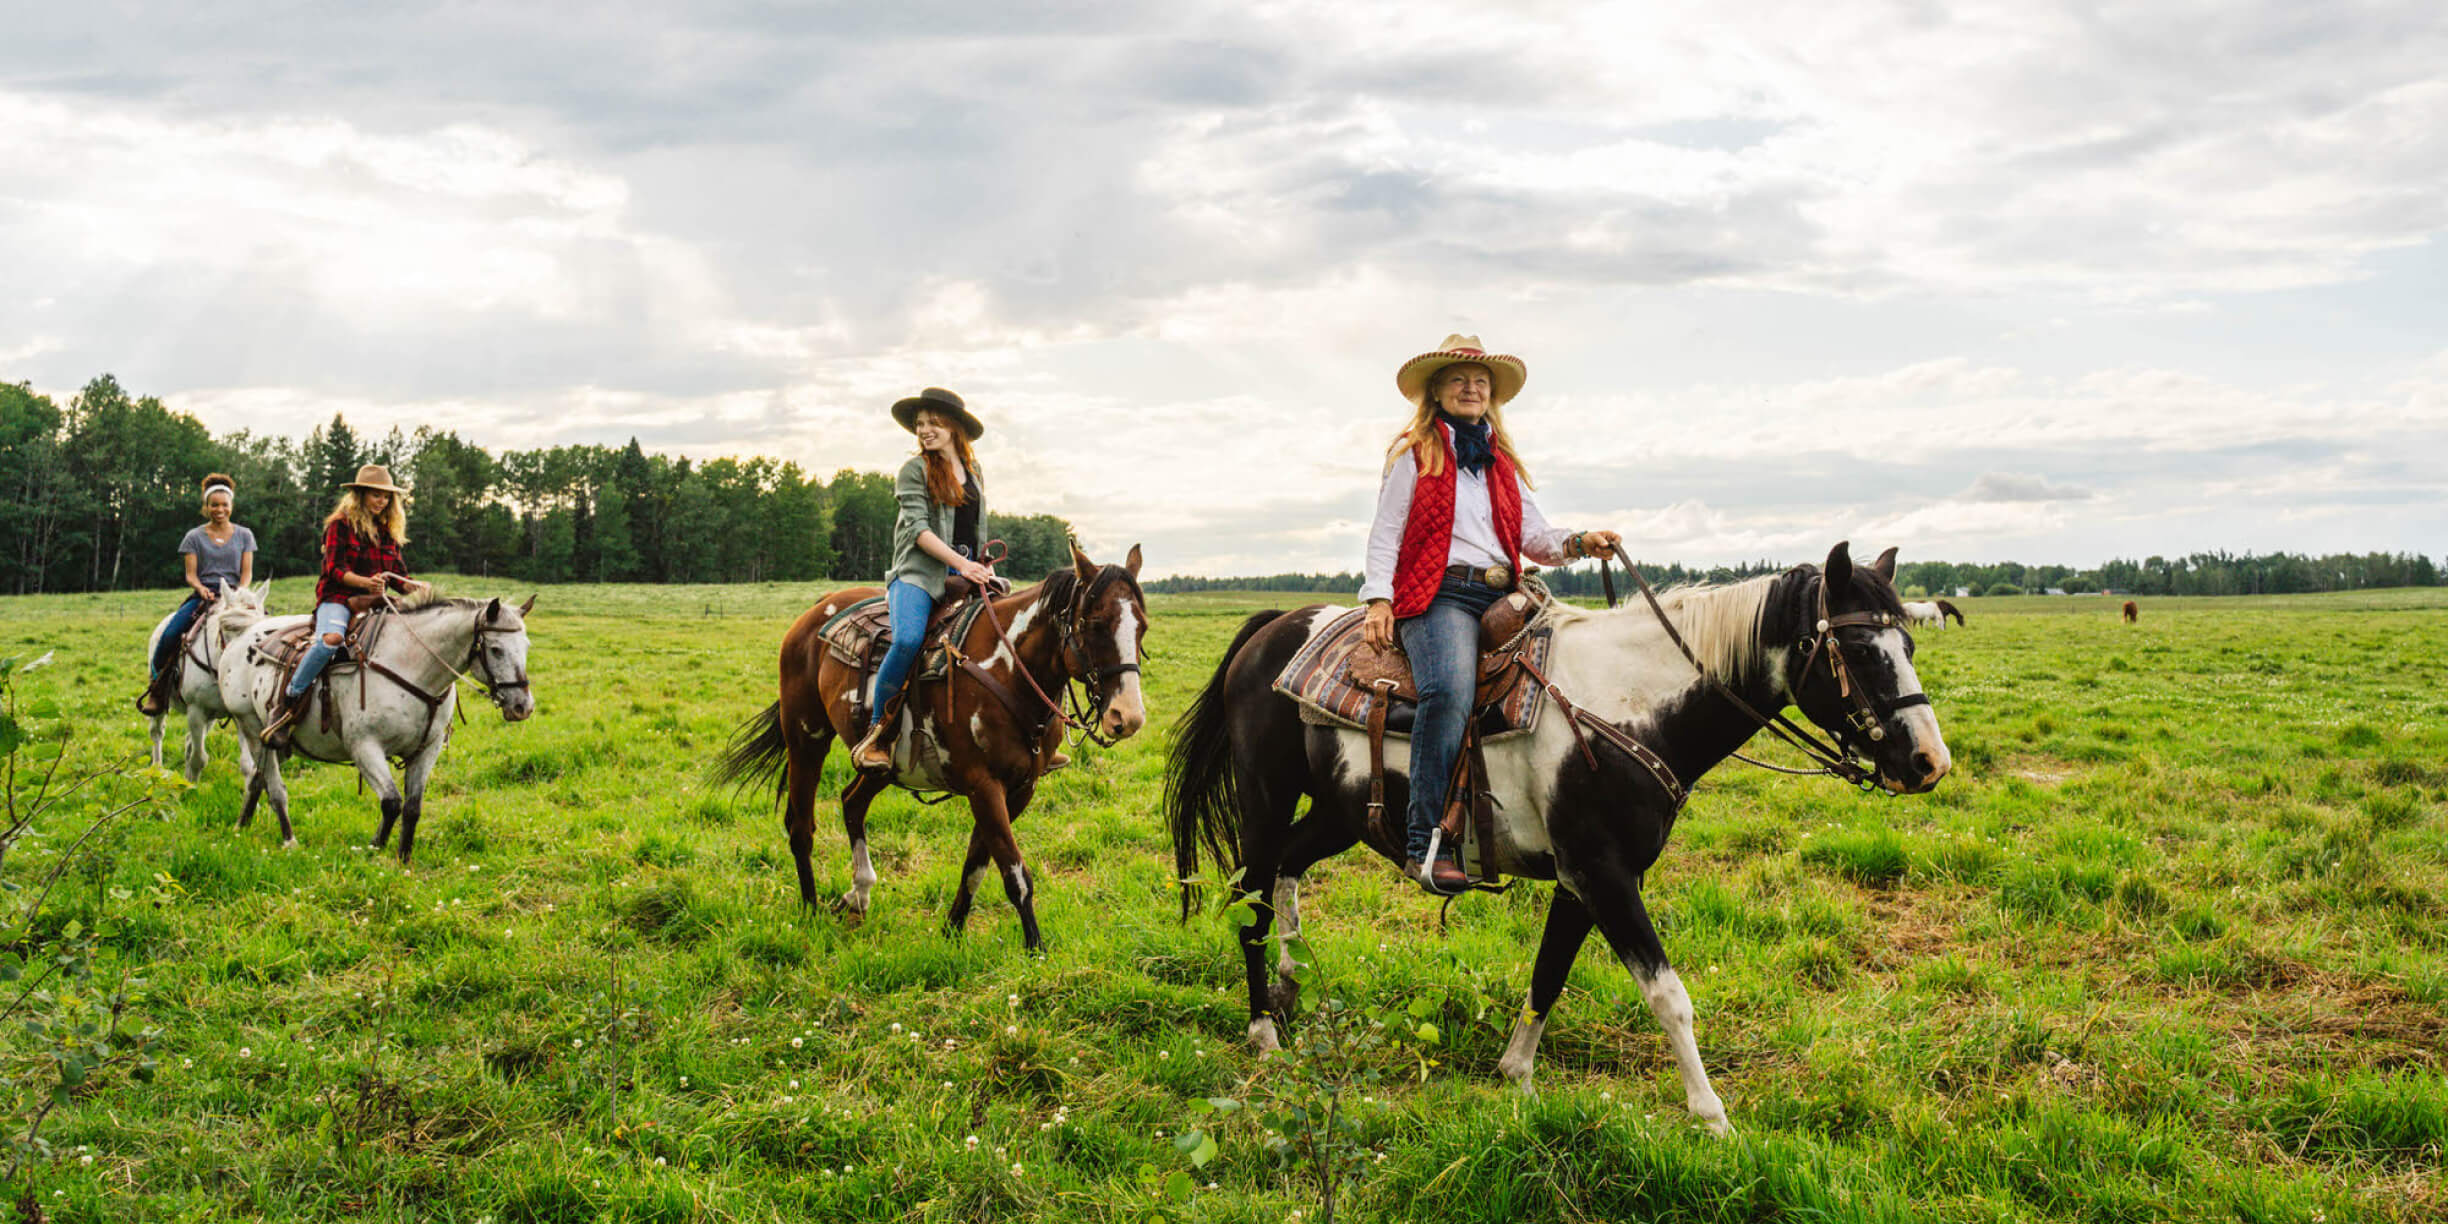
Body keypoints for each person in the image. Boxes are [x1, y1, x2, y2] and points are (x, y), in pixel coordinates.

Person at [1359, 335, 1622, 894]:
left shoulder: (1502, 463)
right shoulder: (1416, 453)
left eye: (1480, 382)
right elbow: (1386, 531)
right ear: (1437, 390)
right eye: (1458, 379)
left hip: (1506, 593)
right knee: (1449, 690)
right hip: (1439, 595)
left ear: (1491, 396)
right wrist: (1379, 597)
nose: (1471, 387)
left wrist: (1579, 541)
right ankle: (1424, 841)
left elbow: (1534, 537)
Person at [852, 387, 1030, 771]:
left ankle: (1027, 734)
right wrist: (960, 566)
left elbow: (974, 528)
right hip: (919, 573)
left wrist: (982, 567)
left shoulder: (974, 471)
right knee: (908, 640)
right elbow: (917, 529)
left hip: (966, 571)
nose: (925, 430)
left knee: (1013, 634)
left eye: (933, 423)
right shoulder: (914, 470)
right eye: (919, 424)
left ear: (954, 428)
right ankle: (877, 733)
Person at [264, 464, 430, 748]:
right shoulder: (340, 524)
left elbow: (399, 577)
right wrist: (366, 583)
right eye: (375, 494)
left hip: (378, 601)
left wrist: (418, 588)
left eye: (386, 496)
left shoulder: (388, 532)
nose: (381, 501)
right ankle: (288, 701)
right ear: (360, 494)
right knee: (331, 641)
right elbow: (334, 569)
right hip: (337, 598)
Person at [136, 474, 258, 715]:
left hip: (235, 597)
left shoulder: (245, 535)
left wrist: (240, 594)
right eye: (214, 505)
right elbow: (191, 575)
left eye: (224, 505)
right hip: (204, 596)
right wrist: (201, 589)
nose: (220, 509)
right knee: (170, 635)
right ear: (206, 507)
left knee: (264, 634)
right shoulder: (194, 537)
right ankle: (158, 690)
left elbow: (247, 573)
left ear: (231, 506)